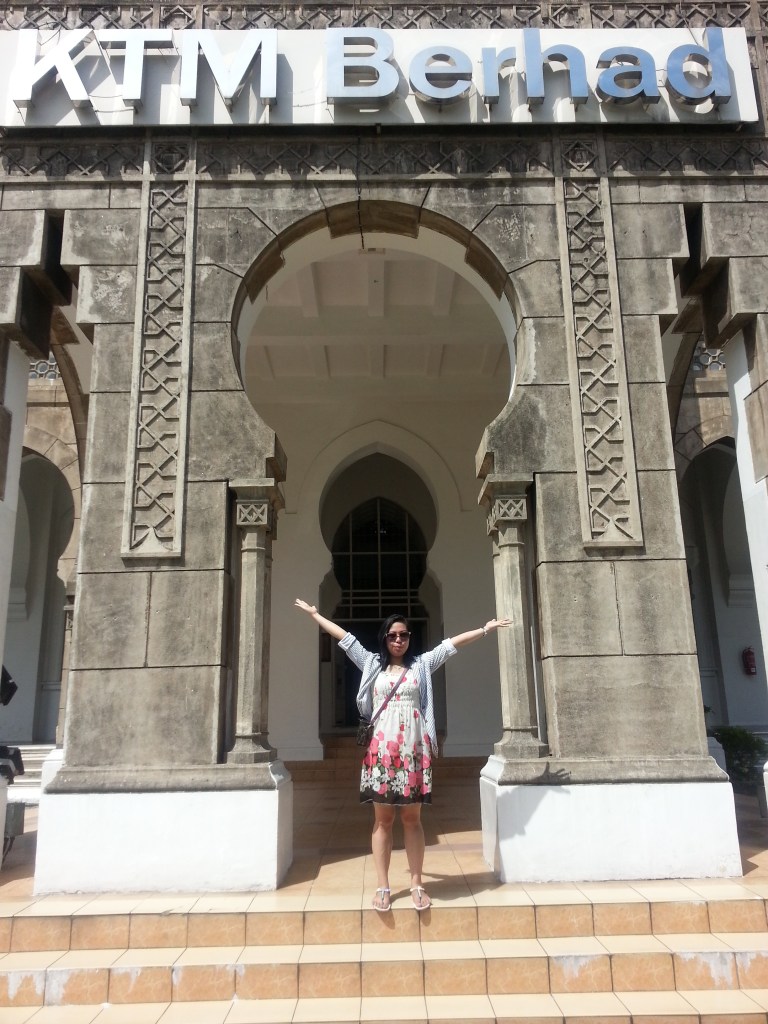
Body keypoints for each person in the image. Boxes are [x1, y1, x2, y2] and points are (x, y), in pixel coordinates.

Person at [295, 599, 512, 912]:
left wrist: (485, 629)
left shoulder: (421, 665)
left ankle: (417, 883)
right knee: (382, 821)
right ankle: (383, 885)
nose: (399, 640)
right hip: (382, 752)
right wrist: (316, 615)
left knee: (412, 819)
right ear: (384, 638)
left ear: (410, 637)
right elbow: (344, 638)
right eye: (393, 635)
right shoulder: (371, 663)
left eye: (404, 635)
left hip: (413, 752)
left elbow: (451, 645)